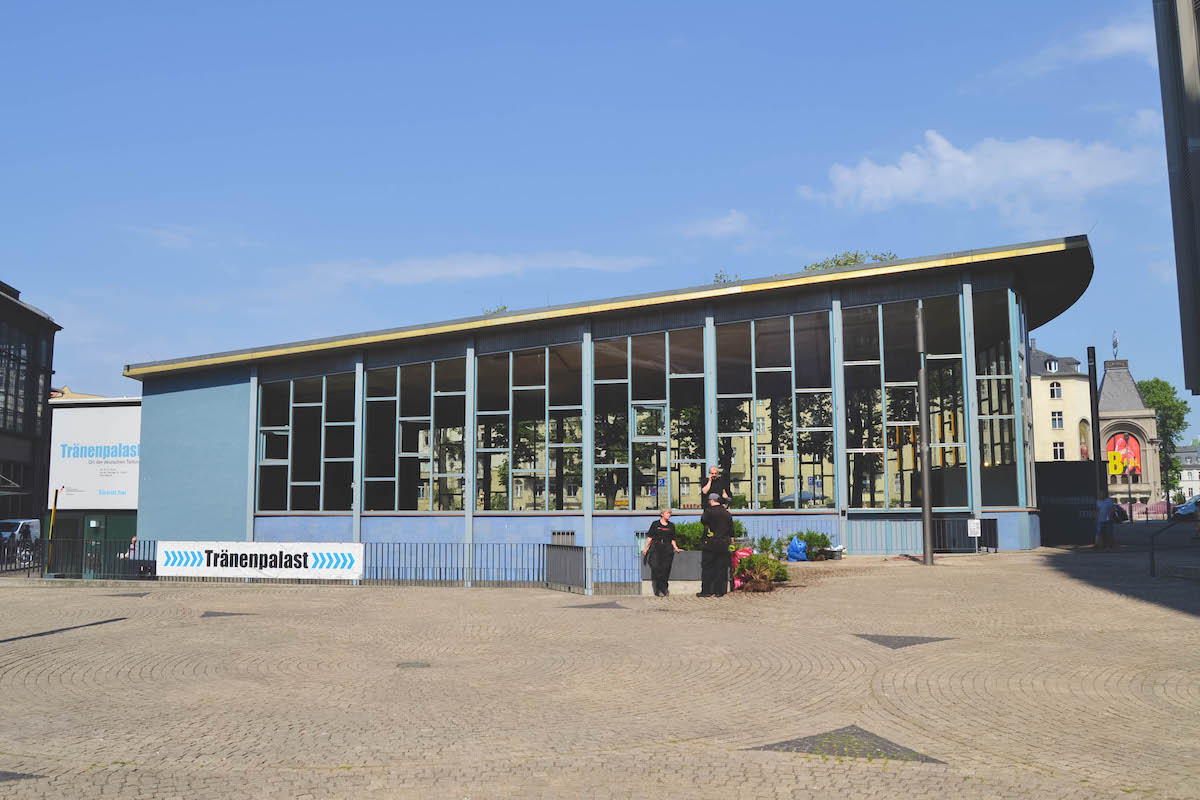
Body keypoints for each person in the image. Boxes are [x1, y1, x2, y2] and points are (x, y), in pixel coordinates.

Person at [698, 494, 733, 597]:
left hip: (710, 543)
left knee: (707, 567)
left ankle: (707, 591)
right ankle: (720, 591)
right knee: (721, 568)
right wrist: (731, 544)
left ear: (711, 500)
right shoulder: (727, 513)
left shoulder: (709, 512)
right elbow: (731, 530)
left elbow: (703, 521)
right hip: (723, 543)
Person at [641, 508, 682, 597]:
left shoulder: (671, 526)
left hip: (667, 549)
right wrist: (645, 548)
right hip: (656, 547)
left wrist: (676, 547)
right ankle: (658, 588)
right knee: (656, 568)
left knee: (665, 569)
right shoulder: (655, 524)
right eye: (667, 513)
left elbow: (672, 539)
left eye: (670, 513)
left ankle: (664, 588)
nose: (669, 515)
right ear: (662, 514)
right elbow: (650, 537)